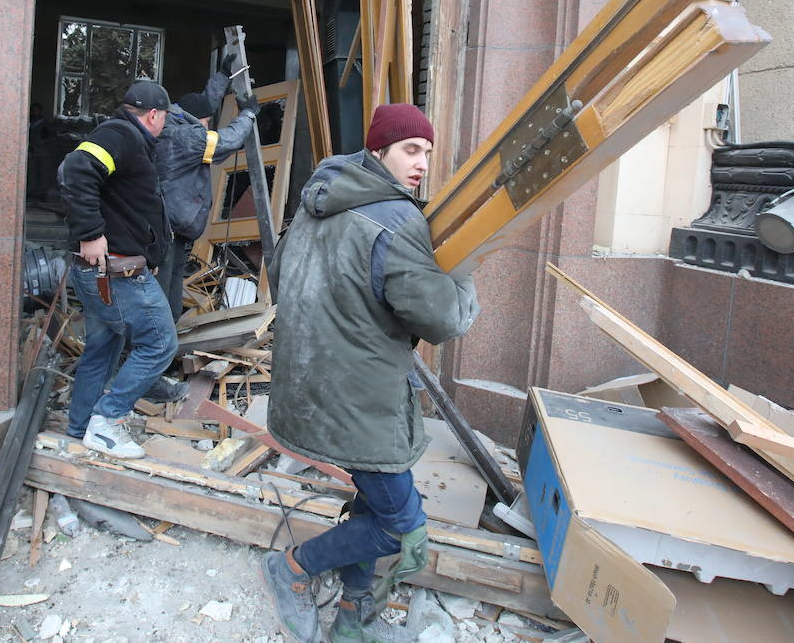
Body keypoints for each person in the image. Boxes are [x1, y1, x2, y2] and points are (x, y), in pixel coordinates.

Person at [260, 104, 480, 643]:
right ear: (379, 150)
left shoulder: (317, 200)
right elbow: (445, 318)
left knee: (371, 495)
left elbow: (280, 272)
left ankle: (356, 612)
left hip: (309, 388)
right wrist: (467, 269)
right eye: (410, 149)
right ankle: (290, 568)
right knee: (399, 525)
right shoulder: (399, 220)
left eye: (428, 151)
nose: (422, 162)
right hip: (361, 402)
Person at [57, 79, 176, 460]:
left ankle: (80, 428)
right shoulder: (121, 134)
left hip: (112, 270)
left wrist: (150, 255)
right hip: (115, 273)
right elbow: (77, 169)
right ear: (154, 115)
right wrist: (90, 234)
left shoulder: (129, 140)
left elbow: (129, 206)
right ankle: (107, 423)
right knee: (159, 344)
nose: (164, 125)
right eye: (165, 119)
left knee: (102, 349)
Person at [155, 52, 260, 324]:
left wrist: (223, 76)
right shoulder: (186, 138)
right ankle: (157, 344)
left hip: (173, 223)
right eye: (207, 123)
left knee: (173, 278)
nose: (209, 125)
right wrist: (248, 114)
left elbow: (204, 106)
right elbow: (226, 141)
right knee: (163, 287)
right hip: (169, 224)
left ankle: (168, 336)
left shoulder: (177, 120)